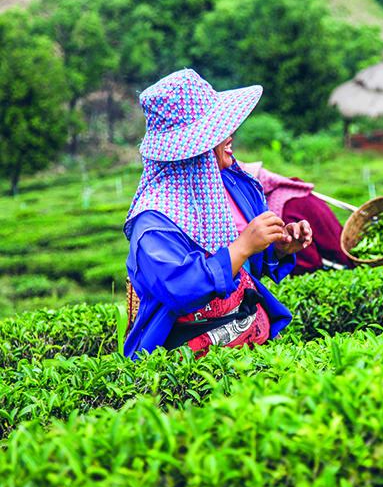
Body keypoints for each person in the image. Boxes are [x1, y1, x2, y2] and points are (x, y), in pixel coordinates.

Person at [123, 69, 312, 360]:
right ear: (193, 147)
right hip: (186, 364)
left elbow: (249, 265)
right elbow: (180, 289)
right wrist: (243, 245)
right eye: (218, 130)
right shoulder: (154, 221)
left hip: (252, 341)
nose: (230, 136)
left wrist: (279, 247)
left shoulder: (233, 182)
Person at [238, 161, 354, 275]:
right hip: (343, 249)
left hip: (337, 261)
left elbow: (307, 260)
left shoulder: (279, 205)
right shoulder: (291, 192)